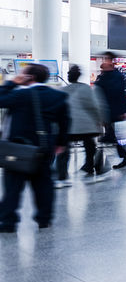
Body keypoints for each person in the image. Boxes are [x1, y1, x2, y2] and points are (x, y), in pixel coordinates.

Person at [0, 63, 69, 232]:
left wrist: (12, 83)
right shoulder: (57, 96)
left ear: (30, 77)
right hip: (44, 148)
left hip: (19, 148)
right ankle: (44, 220)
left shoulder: (21, 95)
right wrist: (61, 143)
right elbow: (65, 122)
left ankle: (9, 222)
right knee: (44, 184)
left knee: (13, 186)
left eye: (22, 73)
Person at [54, 65, 101, 184]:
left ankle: (62, 173)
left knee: (64, 147)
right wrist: (99, 121)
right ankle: (89, 166)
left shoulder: (62, 90)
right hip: (86, 126)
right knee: (89, 144)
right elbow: (94, 107)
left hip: (69, 126)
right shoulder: (86, 88)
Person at [94, 53, 126, 168]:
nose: (104, 62)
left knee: (113, 137)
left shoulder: (115, 75)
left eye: (106, 59)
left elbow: (118, 93)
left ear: (111, 61)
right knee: (112, 137)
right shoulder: (107, 75)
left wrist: (124, 111)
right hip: (108, 113)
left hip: (115, 112)